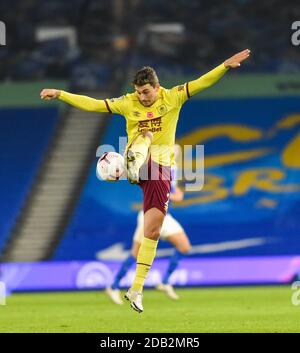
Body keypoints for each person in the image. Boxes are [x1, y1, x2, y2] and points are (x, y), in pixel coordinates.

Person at [40, 49, 251, 313]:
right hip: (140, 160)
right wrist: (61, 94)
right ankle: (127, 163)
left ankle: (136, 289)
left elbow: (202, 82)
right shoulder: (128, 103)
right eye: (139, 93)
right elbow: (94, 104)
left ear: (157, 87)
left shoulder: (173, 97)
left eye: (146, 92)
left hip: (161, 173)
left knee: (152, 231)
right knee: (145, 136)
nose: (142, 97)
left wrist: (224, 66)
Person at [106, 156, 191, 304]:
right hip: (149, 214)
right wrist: (173, 195)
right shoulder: (158, 166)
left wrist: (174, 193)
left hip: (165, 216)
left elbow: (173, 191)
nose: (175, 154)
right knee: (136, 253)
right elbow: (163, 190)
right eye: (173, 151)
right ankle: (114, 286)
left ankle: (165, 282)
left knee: (184, 247)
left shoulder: (173, 169)